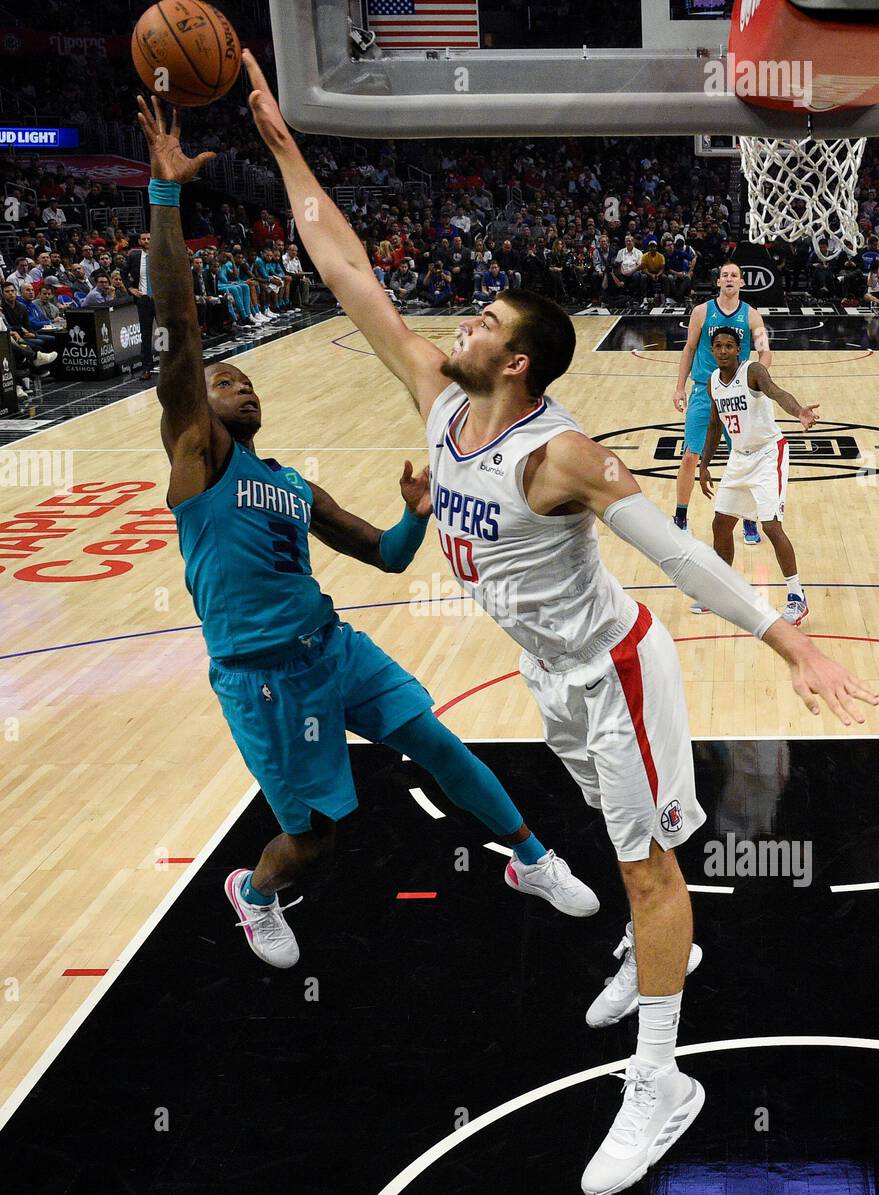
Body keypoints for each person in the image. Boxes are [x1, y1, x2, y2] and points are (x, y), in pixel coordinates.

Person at [242, 49, 879, 1195]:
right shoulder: (441, 403)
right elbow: (346, 272)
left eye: (481, 319)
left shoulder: (560, 457)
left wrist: (785, 639)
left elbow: (678, 550)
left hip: (613, 670)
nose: (461, 322)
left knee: (646, 871)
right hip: (551, 678)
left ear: (516, 359)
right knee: (637, 846)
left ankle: (658, 1081)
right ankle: (649, 946)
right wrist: (284, 144)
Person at [135, 93, 596, 971]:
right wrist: (165, 196)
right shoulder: (197, 455)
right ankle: (255, 891)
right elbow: (180, 328)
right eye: (229, 381)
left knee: (436, 739)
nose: (242, 388)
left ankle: (532, 861)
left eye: (246, 382)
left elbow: (384, 556)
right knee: (315, 843)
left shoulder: (290, 486)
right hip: (264, 679)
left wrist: (417, 518)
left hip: (331, 647)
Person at [696, 328, 817, 625]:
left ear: (739, 349)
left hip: (767, 453)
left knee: (771, 526)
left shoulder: (753, 371)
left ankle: (796, 597)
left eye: (729, 346)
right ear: (712, 350)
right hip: (739, 457)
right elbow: (714, 425)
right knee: (721, 523)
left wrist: (799, 410)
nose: (723, 350)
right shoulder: (713, 381)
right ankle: (721, 592)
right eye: (718, 346)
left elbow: (776, 393)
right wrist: (704, 464)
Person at [673, 262, 769, 546]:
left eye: (734, 276)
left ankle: (749, 521)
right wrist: (679, 387)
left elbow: (765, 353)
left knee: (744, 457)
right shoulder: (701, 312)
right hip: (704, 390)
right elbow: (689, 348)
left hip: (738, 395)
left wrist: (758, 383)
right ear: (718, 282)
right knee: (691, 455)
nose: (729, 279)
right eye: (724, 275)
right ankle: (680, 517)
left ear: (742, 282)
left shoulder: (753, 316)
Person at [124, 232, 157, 380]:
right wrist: (130, 288)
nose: (146, 241)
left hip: (160, 300)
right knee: (145, 334)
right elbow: (123, 273)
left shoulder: (161, 255)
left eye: (149, 238)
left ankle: (167, 365)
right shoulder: (134, 257)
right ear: (139, 241)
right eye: (143, 239)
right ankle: (146, 368)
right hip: (144, 299)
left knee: (163, 332)